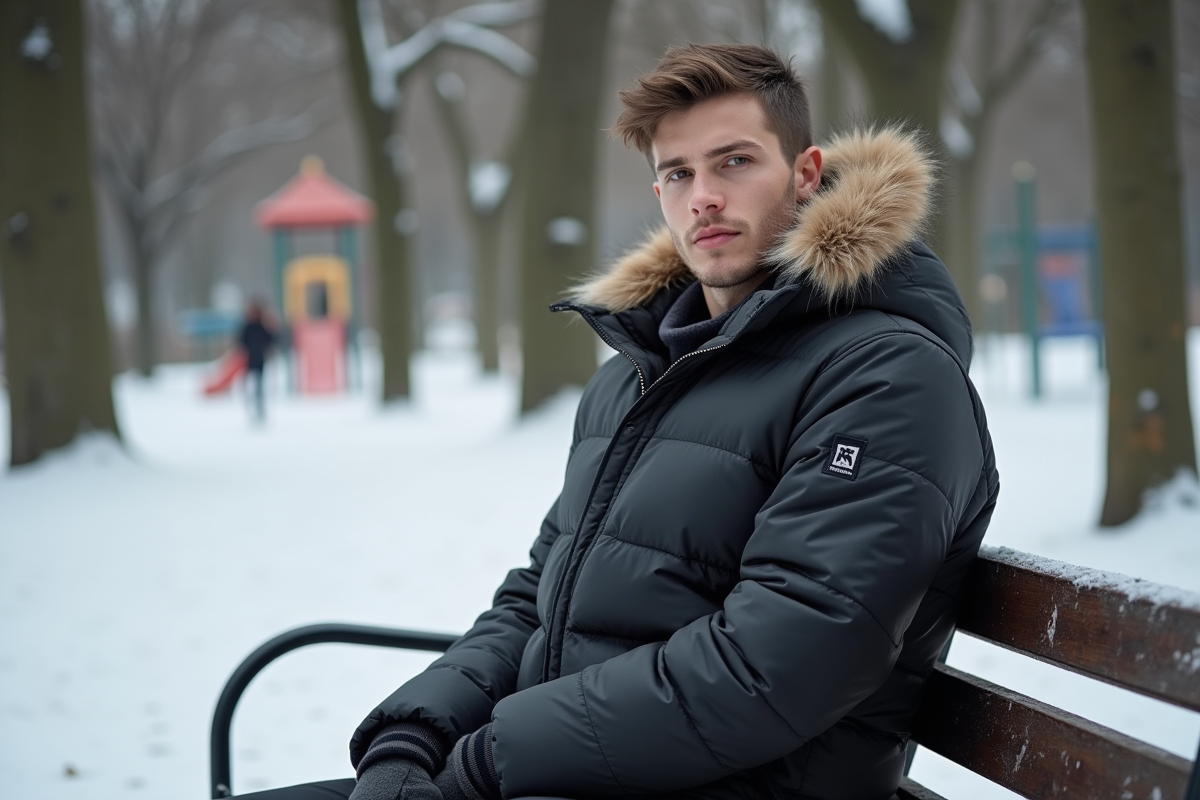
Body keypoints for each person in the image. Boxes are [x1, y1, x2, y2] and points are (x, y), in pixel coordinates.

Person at [240, 42, 998, 800]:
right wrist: (417, 731)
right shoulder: (635, 377)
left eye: (734, 162)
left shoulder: (886, 378)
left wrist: (485, 761)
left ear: (805, 173)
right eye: (678, 173)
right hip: (572, 766)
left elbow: (781, 664)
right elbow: (535, 597)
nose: (702, 196)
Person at [239, 301, 276, 423]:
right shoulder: (247, 327)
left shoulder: (263, 327)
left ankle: (259, 409)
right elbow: (241, 342)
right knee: (248, 386)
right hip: (248, 361)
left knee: (259, 387)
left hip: (259, 361)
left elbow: (271, 340)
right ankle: (250, 408)